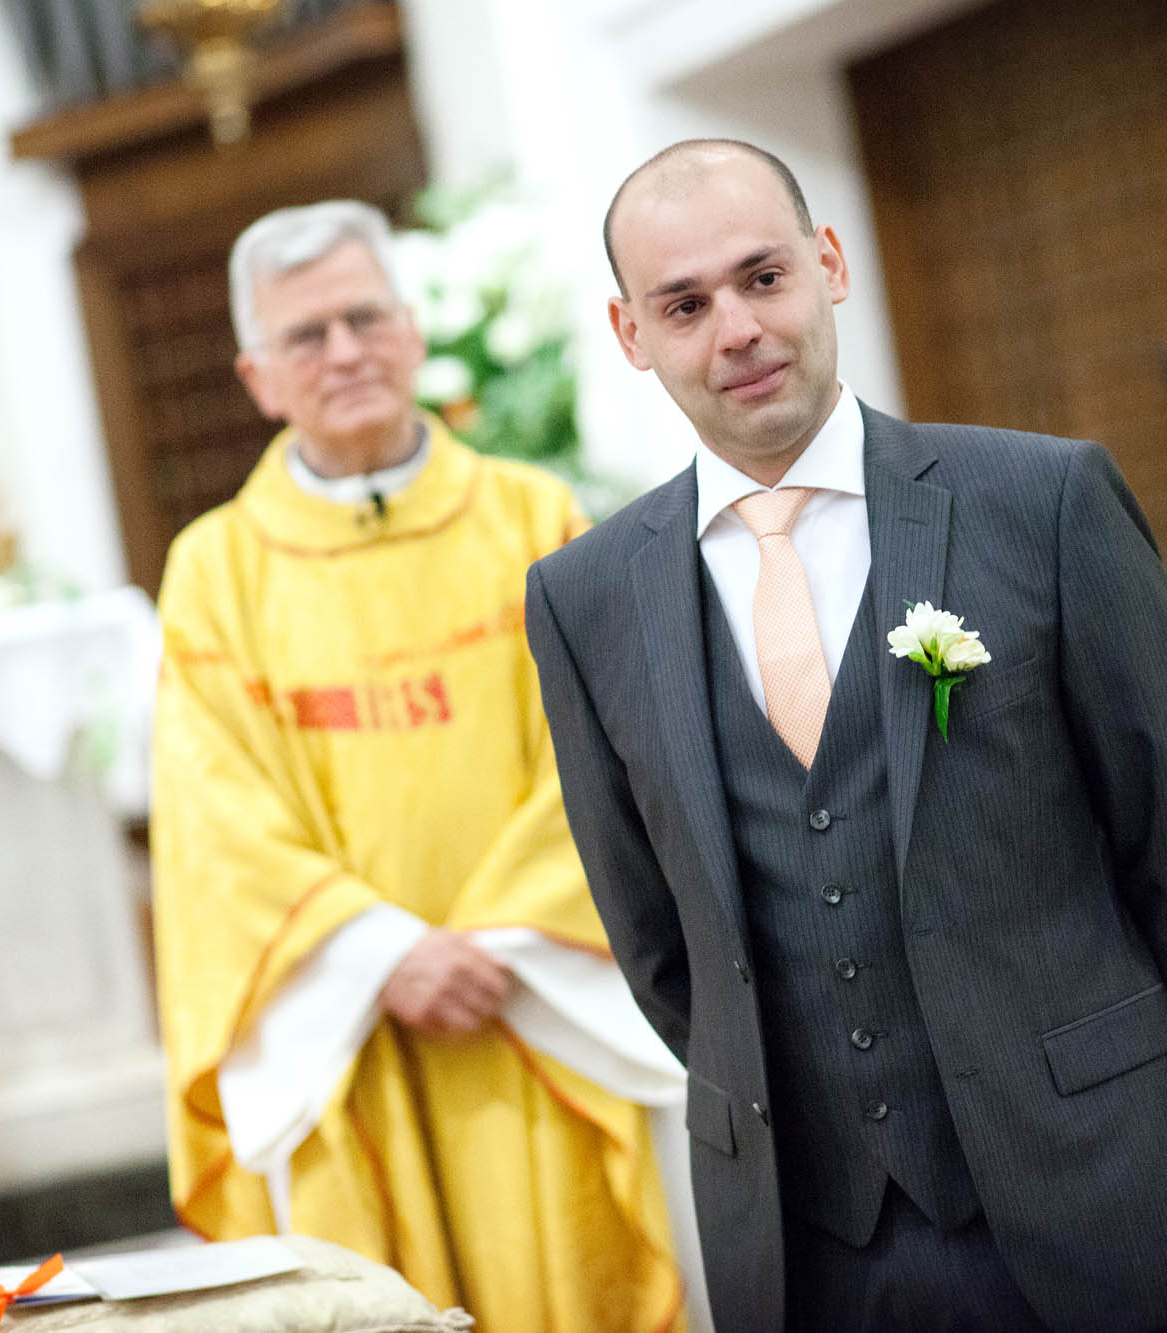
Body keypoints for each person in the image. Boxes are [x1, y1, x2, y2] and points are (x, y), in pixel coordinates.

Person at [525, 140, 1167, 1332]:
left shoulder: (1041, 501)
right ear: (631, 335)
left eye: (761, 277)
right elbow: (658, 940)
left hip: (1102, 1200)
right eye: (685, 303)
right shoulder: (584, 598)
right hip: (814, 1260)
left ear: (826, 265)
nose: (736, 329)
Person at [151, 200, 690, 1331]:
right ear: (257, 376)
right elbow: (214, 819)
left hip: (532, 999)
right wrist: (380, 954)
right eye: (306, 335)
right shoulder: (215, 573)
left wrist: (487, 947)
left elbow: (606, 751)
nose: (343, 352)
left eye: (362, 318)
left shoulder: (529, 514)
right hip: (346, 1031)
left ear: (409, 331)